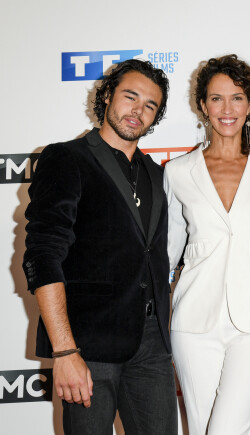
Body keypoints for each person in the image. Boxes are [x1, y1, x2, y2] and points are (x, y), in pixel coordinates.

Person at [22, 59, 177, 434]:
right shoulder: (66, 158)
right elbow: (43, 254)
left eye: (150, 105)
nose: (138, 110)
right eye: (130, 96)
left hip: (153, 343)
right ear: (107, 95)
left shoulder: (158, 174)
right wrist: (64, 351)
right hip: (87, 345)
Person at [165, 54, 250, 435]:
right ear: (203, 106)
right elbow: (168, 251)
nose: (227, 109)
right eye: (216, 99)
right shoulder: (178, 171)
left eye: (237, 98)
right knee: (201, 428)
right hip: (194, 322)